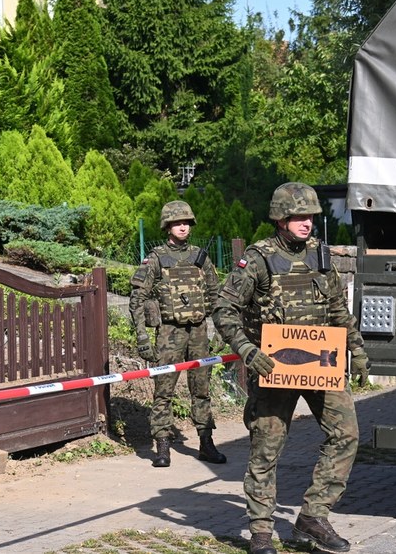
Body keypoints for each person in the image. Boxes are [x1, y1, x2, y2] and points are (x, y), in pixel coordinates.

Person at [212, 182, 369, 554]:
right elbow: (224, 309)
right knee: (267, 447)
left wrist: (357, 350)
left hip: (322, 365)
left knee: (346, 434)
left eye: (311, 216)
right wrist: (247, 351)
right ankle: (262, 531)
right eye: (299, 216)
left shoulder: (320, 255)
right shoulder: (258, 259)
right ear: (280, 219)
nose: (307, 222)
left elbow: (336, 310)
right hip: (272, 368)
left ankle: (314, 516)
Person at [129, 200, 226, 468]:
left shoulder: (200, 257)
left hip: (198, 331)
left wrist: (219, 332)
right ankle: (162, 447)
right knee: (164, 390)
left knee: (202, 390)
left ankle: (206, 444)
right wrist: (142, 338)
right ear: (167, 226)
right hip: (169, 332)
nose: (183, 226)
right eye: (177, 222)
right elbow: (137, 299)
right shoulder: (156, 258)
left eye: (186, 222)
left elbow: (216, 295)